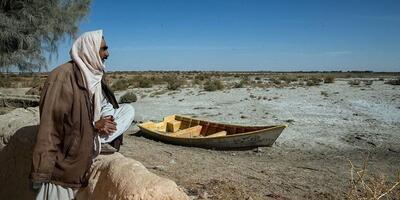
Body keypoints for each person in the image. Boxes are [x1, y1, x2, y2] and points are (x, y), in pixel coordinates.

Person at [30, 30, 135, 200]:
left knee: (128, 110)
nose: (107, 54)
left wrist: (100, 124)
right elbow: (50, 129)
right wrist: (41, 173)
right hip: (64, 168)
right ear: (90, 49)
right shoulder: (62, 78)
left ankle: (97, 141)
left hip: (82, 153)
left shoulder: (93, 75)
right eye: (103, 48)